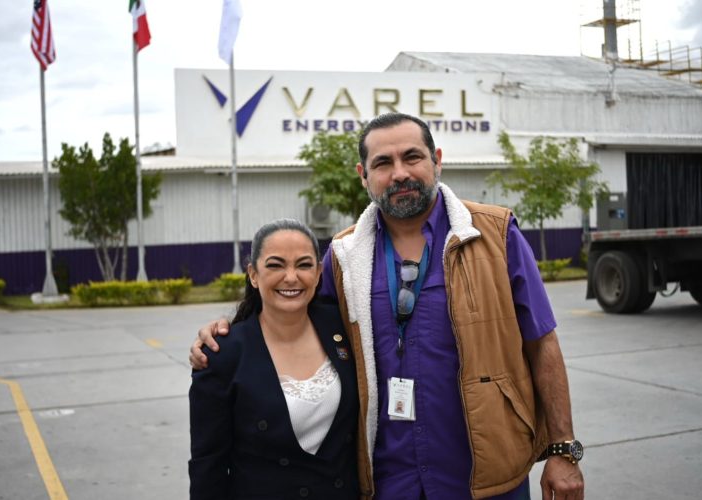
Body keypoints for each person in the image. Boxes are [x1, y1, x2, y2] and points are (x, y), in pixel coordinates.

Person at [191, 113, 585, 500]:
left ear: (437, 161)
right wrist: (226, 331)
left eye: (412, 157)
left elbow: (542, 345)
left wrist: (563, 449)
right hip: (386, 481)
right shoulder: (343, 256)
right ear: (364, 175)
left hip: (486, 478)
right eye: (383, 163)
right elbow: (291, 316)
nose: (399, 173)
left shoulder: (495, 236)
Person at [188, 219, 359, 499]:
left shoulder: (343, 328)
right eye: (275, 265)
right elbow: (208, 463)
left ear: (318, 274)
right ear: (253, 274)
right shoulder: (224, 353)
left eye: (303, 265)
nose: (291, 277)